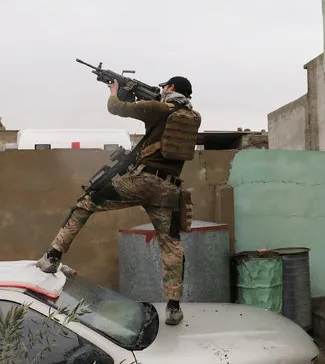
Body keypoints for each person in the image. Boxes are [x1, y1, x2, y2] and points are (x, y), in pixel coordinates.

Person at [36, 76, 201, 326]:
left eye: (164, 87)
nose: (161, 90)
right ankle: (174, 308)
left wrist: (115, 91)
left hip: (142, 181)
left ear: (172, 88)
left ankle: (52, 257)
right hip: (169, 188)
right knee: (171, 246)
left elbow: (116, 108)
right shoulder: (193, 117)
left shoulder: (158, 109)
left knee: (86, 203)